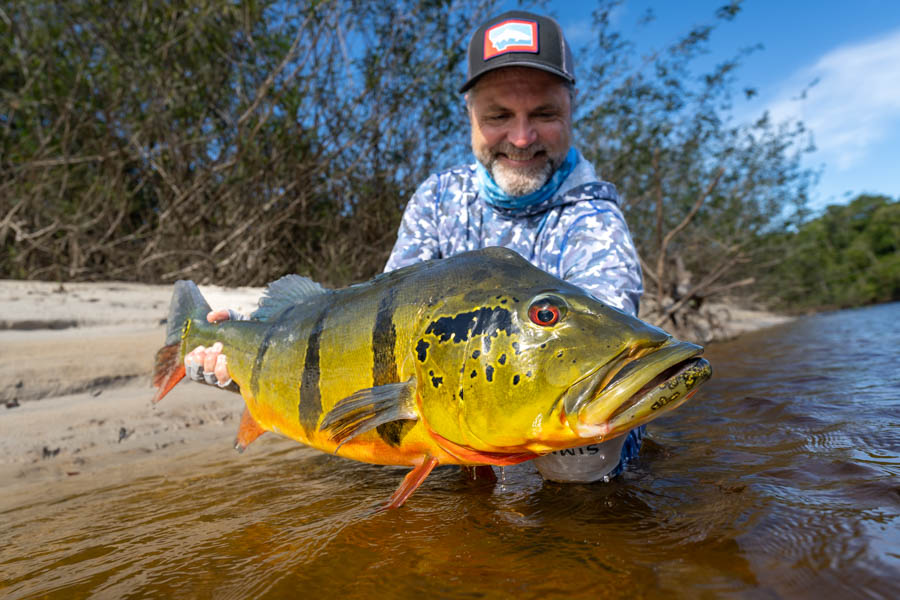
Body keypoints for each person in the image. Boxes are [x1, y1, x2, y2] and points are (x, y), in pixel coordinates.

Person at [186, 10, 645, 483]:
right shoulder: (438, 198)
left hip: (546, 429)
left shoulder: (594, 218)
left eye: (544, 114)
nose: (522, 137)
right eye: (499, 116)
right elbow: (381, 336)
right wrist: (245, 347)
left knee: (587, 453)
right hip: (445, 417)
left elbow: (598, 345)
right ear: (470, 115)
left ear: (571, 108)